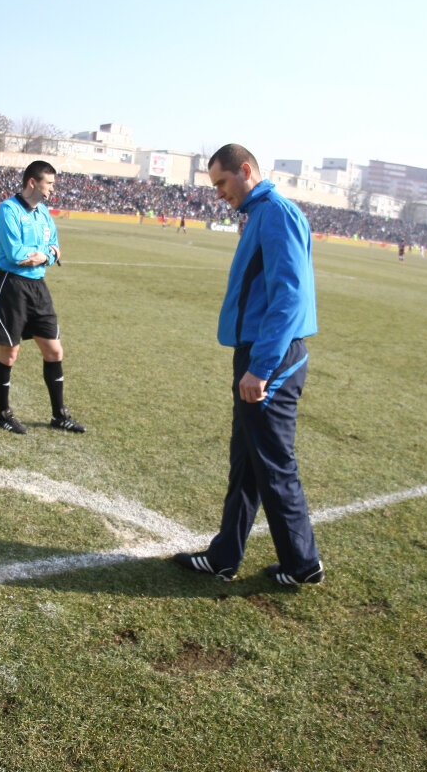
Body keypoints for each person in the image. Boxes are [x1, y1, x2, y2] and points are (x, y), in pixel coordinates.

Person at [173, 143, 323, 586]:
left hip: (270, 356)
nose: (218, 193)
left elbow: (288, 297)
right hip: (258, 353)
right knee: (247, 462)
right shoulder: (259, 215)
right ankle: (224, 556)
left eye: (222, 182)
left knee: (273, 463)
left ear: (245, 171)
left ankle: (303, 565)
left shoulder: (277, 213)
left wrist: (260, 367)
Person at [0, 160, 85, 435]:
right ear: (33, 182)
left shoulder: (44, 214)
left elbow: (56, 249)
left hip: (38, 288)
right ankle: (4, 414)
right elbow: (16, 255)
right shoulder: (9, 209)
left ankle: (59, 415)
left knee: (54, 351)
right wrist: (45, 254)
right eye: (50, 183)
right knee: (10, 353)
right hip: (12, 287)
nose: (53, 189)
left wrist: (46, 255)